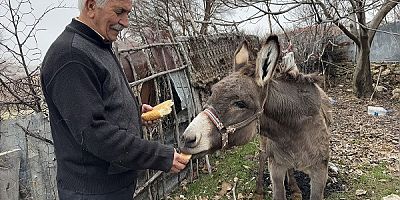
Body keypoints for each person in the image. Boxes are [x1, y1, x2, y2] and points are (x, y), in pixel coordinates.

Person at [40, 0, 189, 199]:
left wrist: (135, 116)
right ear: (91, 6)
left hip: (111, 187)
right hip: (92, 192)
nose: (126, 22)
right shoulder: (71, 56)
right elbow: (93, 133)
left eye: (128, 13)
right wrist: (158, 155)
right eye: (119, 12)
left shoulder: (97, 44)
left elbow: (99, 106)